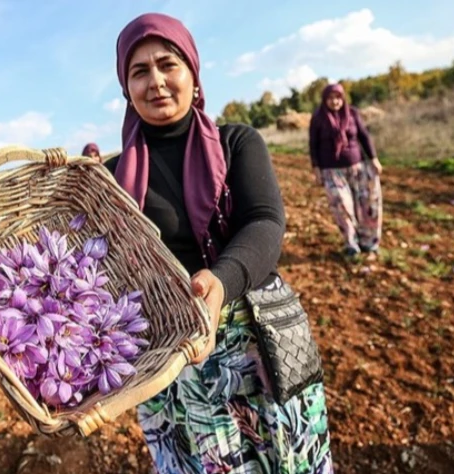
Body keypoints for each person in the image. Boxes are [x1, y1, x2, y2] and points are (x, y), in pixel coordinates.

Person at [104, 13, 333, 473]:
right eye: (139, 71)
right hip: (172, 358)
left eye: (168, 64)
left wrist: (220, 282)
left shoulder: (237, 143)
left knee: (288, 460)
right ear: (126, 88)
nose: (156, 82)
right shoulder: (110, 179)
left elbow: (264, 223)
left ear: (192, 71)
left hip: (255, 342)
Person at [308, 83, 383, 257]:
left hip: (358, 168)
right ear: (324, 100)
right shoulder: (318, 118)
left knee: (367, 205)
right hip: (332, 171)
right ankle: (351, 243)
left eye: (338, 98)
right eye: (330, 98)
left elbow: (364, 136)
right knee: (341, 205)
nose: (334, 101)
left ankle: (369, 242)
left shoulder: (353, 114)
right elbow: (313, 145)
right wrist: (316, 168)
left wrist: (374, 159)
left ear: (343, 99)